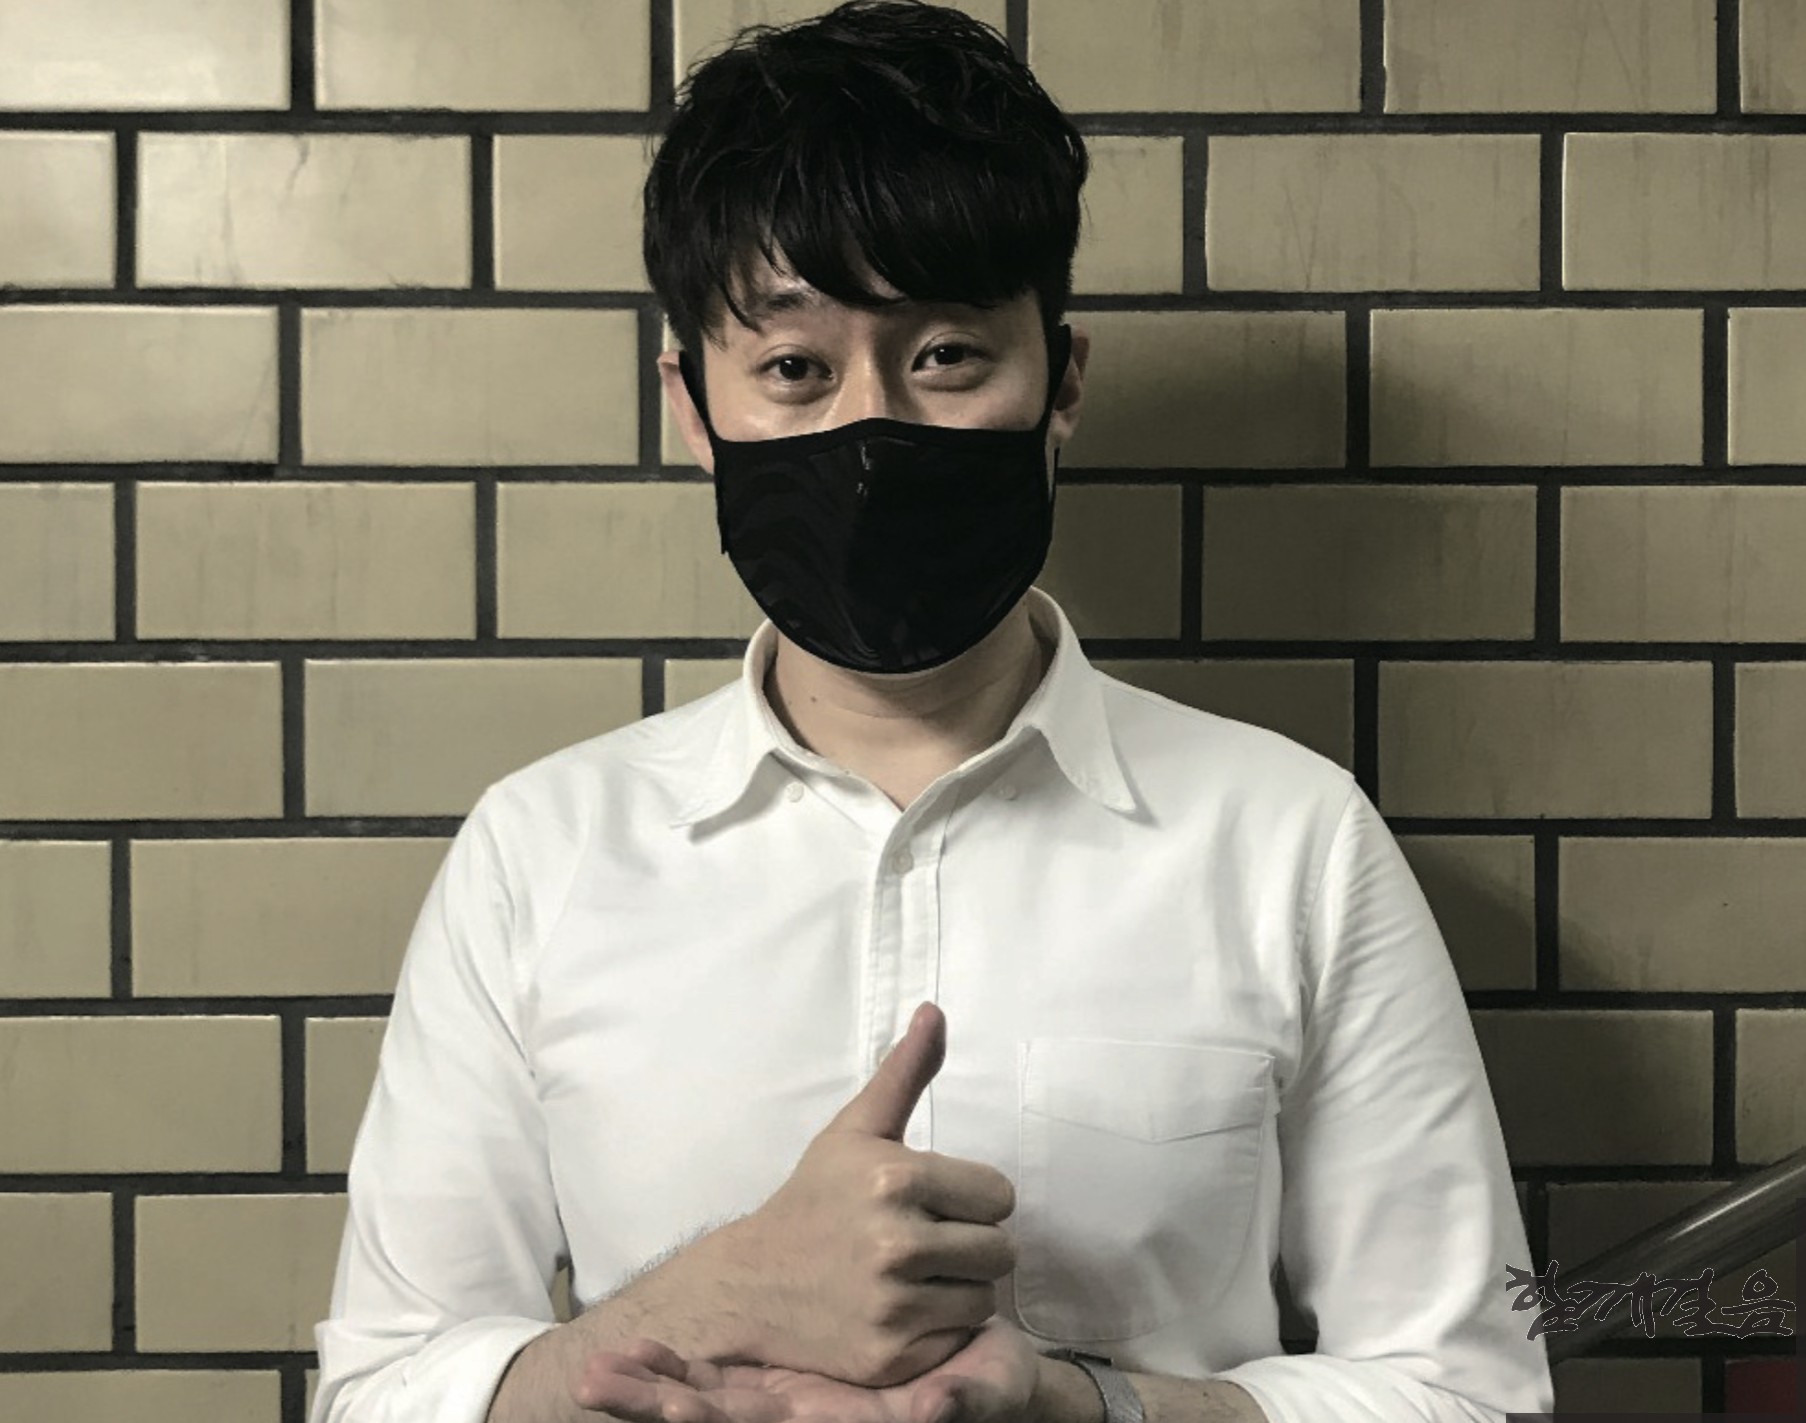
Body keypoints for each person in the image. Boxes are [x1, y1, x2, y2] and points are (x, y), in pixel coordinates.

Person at [309, 3, 1555, 1422]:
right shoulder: (541, 852)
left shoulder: (1288, 841)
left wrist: (1084, 1410)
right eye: (793, 369)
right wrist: (708, 1300)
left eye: (948, 355)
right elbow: (379, 1388)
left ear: (1060, 381)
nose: (870, 429)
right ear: (691, 405)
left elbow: (1470, 1391)